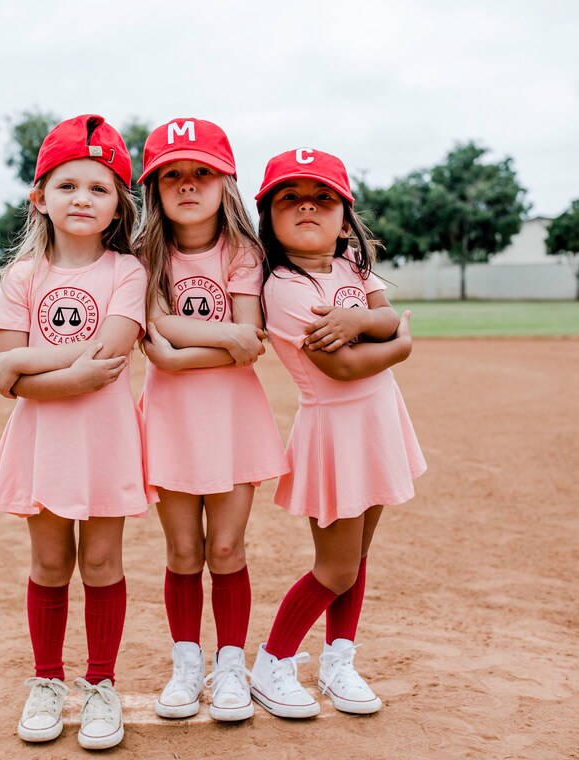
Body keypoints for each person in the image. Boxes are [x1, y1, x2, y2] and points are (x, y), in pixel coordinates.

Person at [0, 114, 150, 751]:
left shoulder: (126, 272)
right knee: (50, 563)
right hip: (43, 441)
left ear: (117, 206)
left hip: (104, 439)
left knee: (103, 562)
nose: (82, 198)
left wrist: (21, 361)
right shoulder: (23, 277)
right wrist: (28, 371)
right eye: (68, 185)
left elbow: (104, 363)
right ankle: (47, 681)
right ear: (40, 198)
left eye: (99, 188)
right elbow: (14, 382)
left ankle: (101, 685)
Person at [249, 147, 426, 718]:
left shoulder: (353, 267)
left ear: (344, 216)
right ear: (270, 220)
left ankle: (338, 660)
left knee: (359, 553)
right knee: (336, 566)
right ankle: (272, 663)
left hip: (377, 421)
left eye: (323, 198)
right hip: (335, 430)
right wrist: (398, 341)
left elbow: (382, 314)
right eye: (290, 199)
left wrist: (363, 322)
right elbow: (347, 365)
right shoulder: (284, 286)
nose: (308, 206)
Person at [133, 118, 287, 722]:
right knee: (182, 551)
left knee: (226, 547)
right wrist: (227, 339)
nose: (188, 185)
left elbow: (236, 339)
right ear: (155, 189)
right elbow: (161, 338)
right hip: (171, 421)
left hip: (233, 419)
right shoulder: (141, 256)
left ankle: (229, 663)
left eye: (202, 172)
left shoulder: (244, 254)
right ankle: (186, 661)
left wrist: (185, 346)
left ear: (226, 183)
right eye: (173, 174)